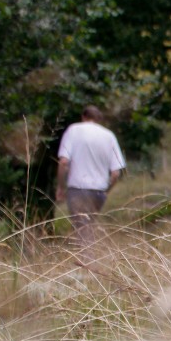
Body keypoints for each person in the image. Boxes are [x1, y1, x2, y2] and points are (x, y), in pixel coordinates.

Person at [56, 105, 126, 265]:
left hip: (78, 188)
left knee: (81, 228)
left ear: (83, 117)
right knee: (88, 225)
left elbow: (64, 162)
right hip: (99, 191)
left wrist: (61, 186)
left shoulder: (73, 130)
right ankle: (90, 263)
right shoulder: (109, 136)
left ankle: (87, 265)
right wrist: (106, 190)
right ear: (99, 119)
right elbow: (115, 173)